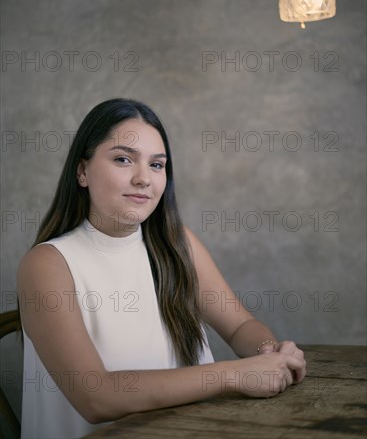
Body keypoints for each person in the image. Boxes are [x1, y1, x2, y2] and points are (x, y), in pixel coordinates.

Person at [17, 98, 306, 439]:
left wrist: (269, 354)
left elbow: (240, 324)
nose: (143, 178)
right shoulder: (47, 264)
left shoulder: (177, 243)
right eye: (123, 159)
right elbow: (96, 396)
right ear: (82, 171)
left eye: (157, 165)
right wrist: (234, 374)